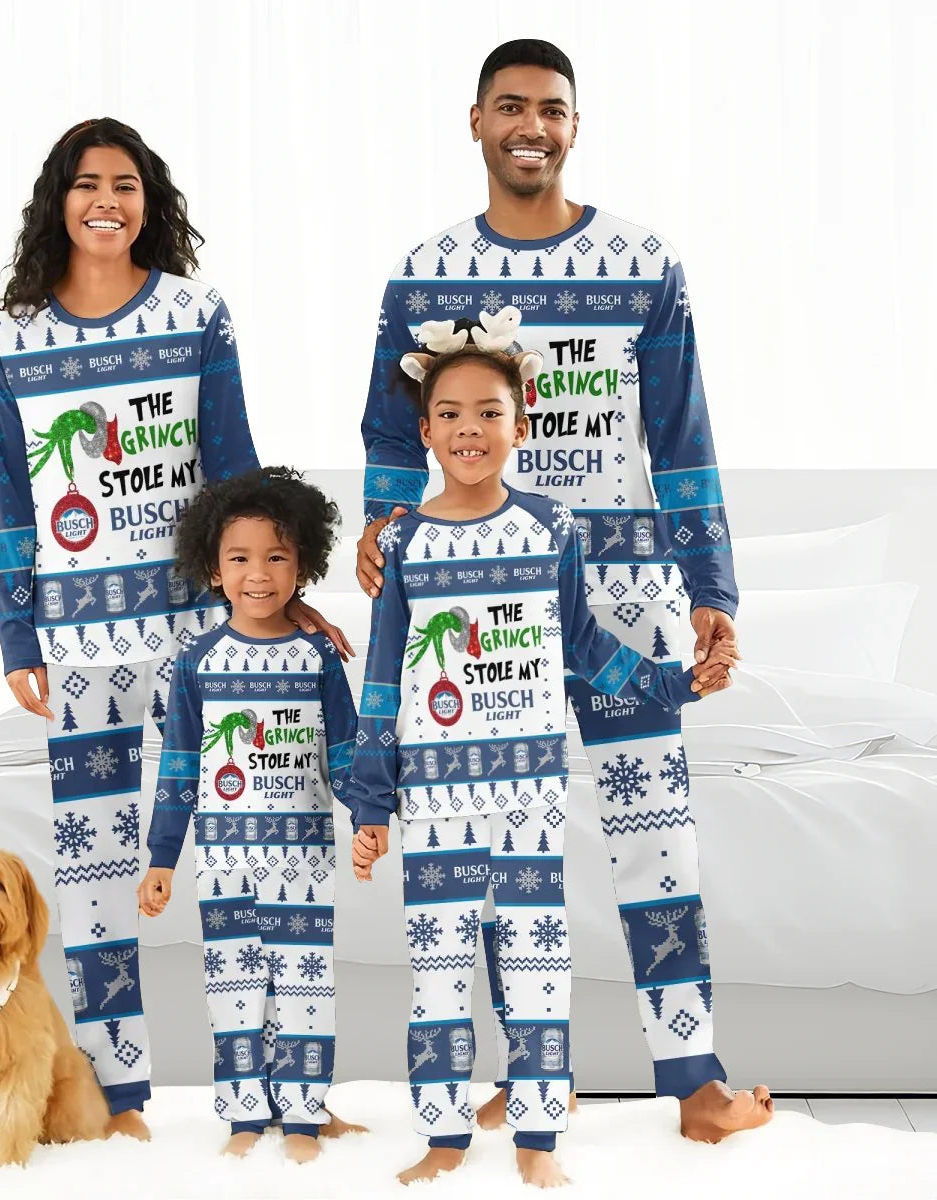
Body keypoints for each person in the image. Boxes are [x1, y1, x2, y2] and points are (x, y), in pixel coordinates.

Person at [356, 40, 774, 1144]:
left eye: (551, 109)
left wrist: (710, 582)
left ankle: (694, 1082)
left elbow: (681, 434)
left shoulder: (645, 261)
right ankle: (530, 1072)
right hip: (481, 610)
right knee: (499, 844)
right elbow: (393, 431)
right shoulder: (427, 269)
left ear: (574, 126)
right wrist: (379, 525)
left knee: (655, 829)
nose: (530, 125)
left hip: (629, 594)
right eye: (510, 107)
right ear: (478, 122)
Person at [0, 118, 349, 1133]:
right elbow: (14, 501)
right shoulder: (12, 335)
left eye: (128, 184)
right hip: (81, 645)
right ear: (59, 199)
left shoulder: (194, 313)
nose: (109, 199)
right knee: (95, 866)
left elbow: (234, 461)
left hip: (200, 633)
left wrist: (286, 584)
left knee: (243, 844)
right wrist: (20, 640)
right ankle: (120, 1092)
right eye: (90, 182)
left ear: (151, 202)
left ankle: (282, 1090)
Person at [348, 345, 725, 1188]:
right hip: (436, 796)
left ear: (520, 425)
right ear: (425, 432)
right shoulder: (403, 543)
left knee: (536, 963)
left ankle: (538, 1140)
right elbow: (382, 680)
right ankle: (444, 1137)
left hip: (530, 796)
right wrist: (370, 803)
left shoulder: (552, 527)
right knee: (438, 968)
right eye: (449, 415)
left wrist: (674, 683)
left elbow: (585, 649)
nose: (469, 430)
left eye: (488, 412)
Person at [138, 467, 366, 1161]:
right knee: (232, 987)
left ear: (304, 565)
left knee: (304, 985)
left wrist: (370, 816)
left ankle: (303, 1115)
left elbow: (347, 751)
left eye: (277, 557)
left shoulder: (318, 654)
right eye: (240, 558)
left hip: (303, 858)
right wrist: (161, 860)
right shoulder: (196, 663)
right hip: (223, 861)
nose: (259, 575)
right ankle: (243, 1115)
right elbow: (179, 768)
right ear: (213, 566)